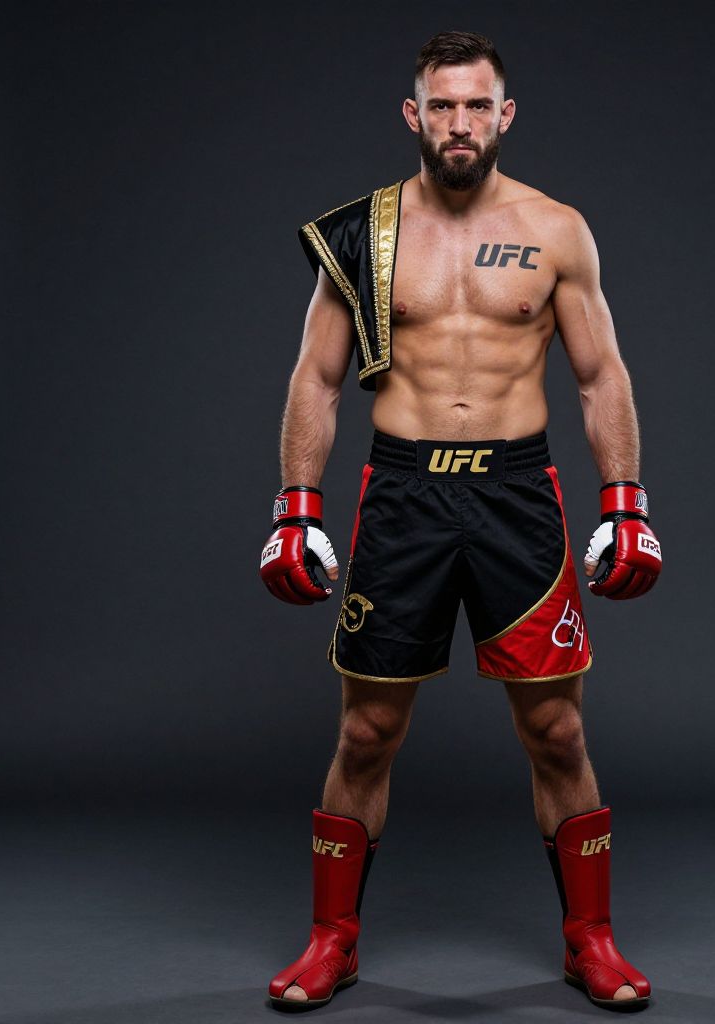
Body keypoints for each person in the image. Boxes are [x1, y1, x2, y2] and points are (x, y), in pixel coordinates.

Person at [258, 30, 662, 1013]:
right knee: (365, 730)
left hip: (517, 497)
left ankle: (591, 943)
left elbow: (598, 372)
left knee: (558, 728)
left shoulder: (557, 228)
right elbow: (316, 374)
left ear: (503, 115)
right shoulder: (367, 231)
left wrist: (626, 504)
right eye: (440, 106)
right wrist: (294, 507)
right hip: (400, 498)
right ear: (414, 115)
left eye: (475, 106)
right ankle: (330, 943)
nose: (458, 124)